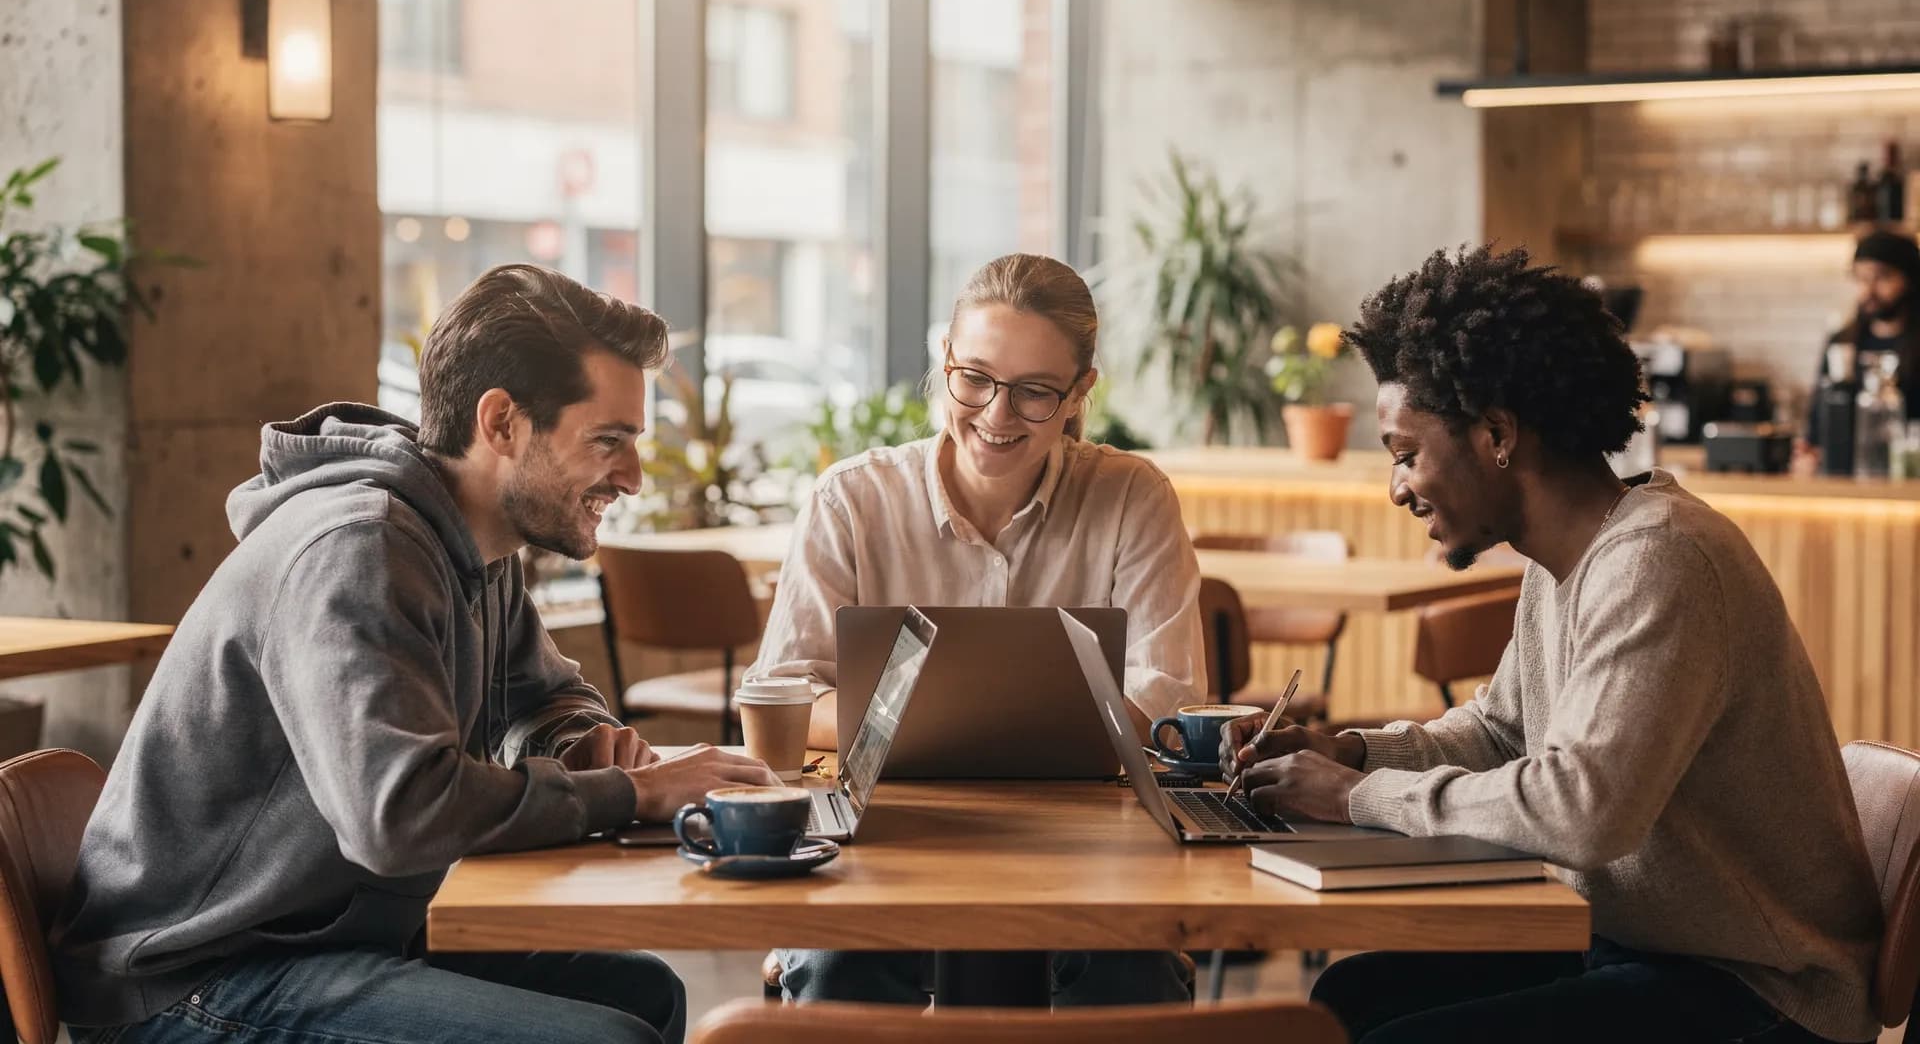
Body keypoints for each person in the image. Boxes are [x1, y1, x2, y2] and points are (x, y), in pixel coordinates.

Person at [51, 264, 779, 1044]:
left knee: (647, 995)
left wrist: (580, 740)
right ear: (501, 423)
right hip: (197, 978)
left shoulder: (475, 544)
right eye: (608, 441)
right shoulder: (362, 551)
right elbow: (398, 816)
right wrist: (630, 795)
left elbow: (545, 696)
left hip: (325, 940)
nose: (632, 478)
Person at [1220, 245, 1882, 1043]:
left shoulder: (1660, 558)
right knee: (1348, 999)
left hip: (1764, 993)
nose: (1397, 487)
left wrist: (1351, 798)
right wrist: (1354, 751)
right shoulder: (1566, 561)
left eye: (1406, 454)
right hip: (1646, 947)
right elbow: (1502, 732)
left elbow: (1583, 810)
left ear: (1498, 433)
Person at [751, 252, 1203, 1007]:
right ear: (946, 361)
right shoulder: (852, 500)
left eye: (1033, 393)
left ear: (1079, 393)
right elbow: (786, 691)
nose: (996, 415)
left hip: (1084, 847)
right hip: (883, 841)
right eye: (976, 379)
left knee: (1134, 976)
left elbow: (1167, 695)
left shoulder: (1133, 497)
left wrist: (924, 720)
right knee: (838, 971)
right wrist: (980, 725)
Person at [1801, 230, 1920, 466]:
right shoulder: (1842, 343)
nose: (1869, 290)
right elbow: (1817, 424)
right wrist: (1810, 454)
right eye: (1861, 279)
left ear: (1910, 279)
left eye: (1882, 278)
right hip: (1845, 482)